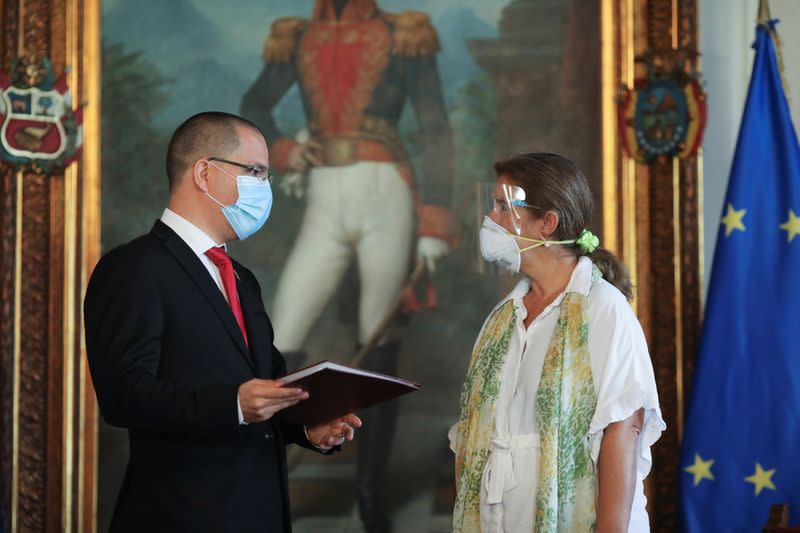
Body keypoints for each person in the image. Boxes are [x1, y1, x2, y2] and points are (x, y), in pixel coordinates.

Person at [84, 112, 361, 533]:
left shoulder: (242, 279)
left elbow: (267, 389)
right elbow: (124, 395)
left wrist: (307, 427)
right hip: (180, 518)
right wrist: (231, 404)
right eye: (255, 172)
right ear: (203, 173)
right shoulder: (134, 268)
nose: (265, 188)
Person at [240, 1, 459, 531]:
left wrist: (433, 221)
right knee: (285, 326)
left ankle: (370, 493)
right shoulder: (298, 36)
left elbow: (433, 127)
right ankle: (272, 474)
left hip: (387, 191)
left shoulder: (402, 33)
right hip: (326, 193)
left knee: (377, 333)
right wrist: (289, 150)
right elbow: (254, 107)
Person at [450, 153, 666, 533]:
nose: (491, 220)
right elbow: (472, 435)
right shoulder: (502, 317)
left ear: (547, 223)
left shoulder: (602, 309)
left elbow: (624, 428)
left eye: (504, 207)